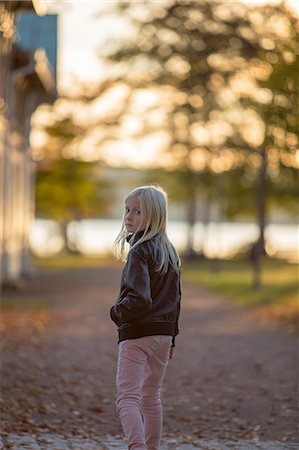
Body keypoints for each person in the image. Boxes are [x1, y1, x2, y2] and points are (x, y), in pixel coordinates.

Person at [110, 185, 182, 450]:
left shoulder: (139, 251)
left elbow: (140, 300)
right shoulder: (170, 251)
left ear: (154, 216)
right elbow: (175, 300)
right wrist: (171, 337)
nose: (129, 216)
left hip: (137, 335)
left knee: (127, 398)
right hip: (162, 336)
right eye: (127, 210)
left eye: (137, 212)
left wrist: (116, 312)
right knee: (151, 397)